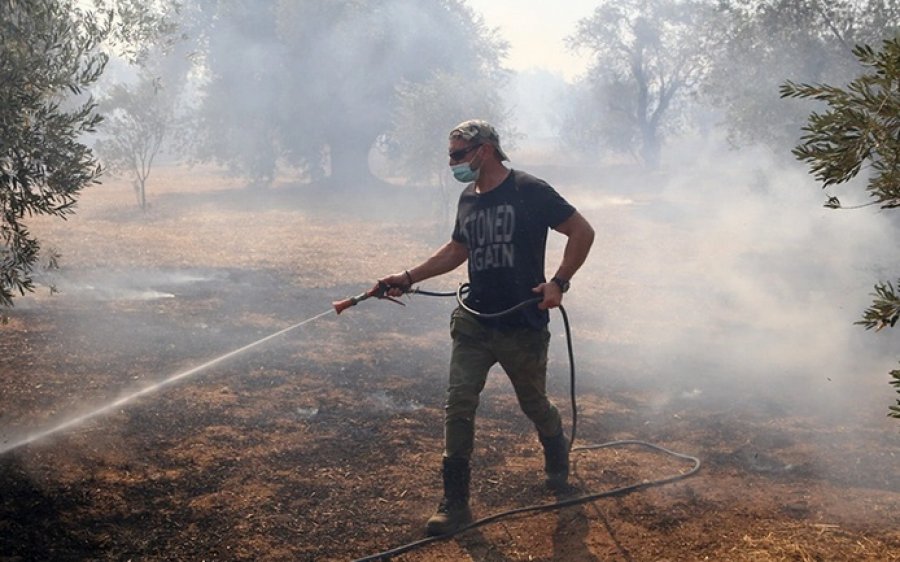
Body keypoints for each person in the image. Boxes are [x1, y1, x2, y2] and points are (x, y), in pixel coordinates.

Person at [376, 119, 595, 536]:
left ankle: (555, 449)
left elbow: (582, 231)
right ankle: (454, 503)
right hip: (474, 320)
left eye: (459, 155)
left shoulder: (530, 190)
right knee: (458, 404)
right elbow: (458, 250)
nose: (453, 163)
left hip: (521, 323)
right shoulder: (467, 197)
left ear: (485, 150)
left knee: (533, 403)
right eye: (451, 155)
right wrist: (408, 277)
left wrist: (559, 283)